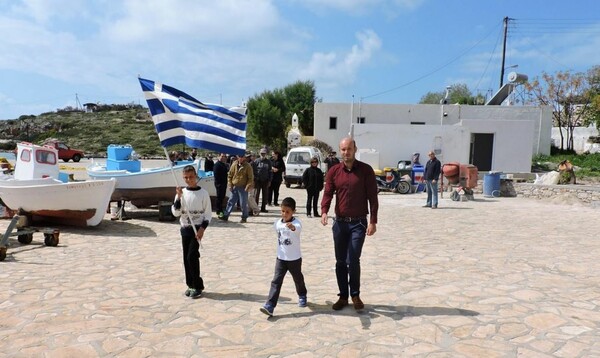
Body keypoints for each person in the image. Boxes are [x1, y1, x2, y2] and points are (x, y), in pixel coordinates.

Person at [320, 137, 378, 311]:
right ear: (340, 150)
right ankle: (343, 296)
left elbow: (373, 198)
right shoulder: (334, 171)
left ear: (355, 149)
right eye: (343, 149)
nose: (346, 153)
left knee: (353, 260)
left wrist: (373, 221)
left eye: (349, 149)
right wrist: (324, 211)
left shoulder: (366, 171)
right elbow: (328, 192)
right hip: (340, 224)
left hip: (358, 224)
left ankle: (355, 295)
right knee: (340, 262)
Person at [260, 197, 307, 316]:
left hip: (294, 259)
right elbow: (278, 235)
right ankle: (270, 305)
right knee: (276, 281)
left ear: (293, 212)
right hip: (281, 259)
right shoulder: (277, 224)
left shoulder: (296, 223)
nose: (284, 214)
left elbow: (297, 230)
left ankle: (302, 294)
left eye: (288, 212)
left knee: (298, 279)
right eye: (283, 211)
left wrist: (292, 227)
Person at [171, 165, 212, 299]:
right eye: (186, 178)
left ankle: (197, 285)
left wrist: (202, 230)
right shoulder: (181, 193)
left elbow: (208, 214)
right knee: (185, 258)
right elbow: (176, 212)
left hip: (197, 229)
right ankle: (190, 285)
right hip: (185, 229)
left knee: (192, 257)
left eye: (191, 177)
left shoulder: (203, 193)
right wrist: (178, 197)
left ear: (196, 176)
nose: (189, 180)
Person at [219, 153, 254, 223]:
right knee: (230, 202)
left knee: (243, 203)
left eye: (242, 157)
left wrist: (247, 186)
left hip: (243, 188)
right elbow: (230, 175)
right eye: (239, 156)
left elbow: (251, 178)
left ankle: (244, 217)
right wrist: (230, 184)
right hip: (234, 187)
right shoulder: (234, 164)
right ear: (237, 157)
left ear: (244, 158)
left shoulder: (248, 166)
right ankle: (226, 216)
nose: (241, 158)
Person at [253, 148, 272, 213]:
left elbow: (270, 171)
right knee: (256, 195)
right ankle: (255, 208)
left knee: (265, 195)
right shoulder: (256, 161)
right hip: (258, 181)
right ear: (259, 153)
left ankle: (263, 208)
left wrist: (270, 180)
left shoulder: (268, 162)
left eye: (264, 153)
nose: (263, 155)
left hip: (265, 181)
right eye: (262, 153)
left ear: (266, 154)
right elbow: (254, 171)